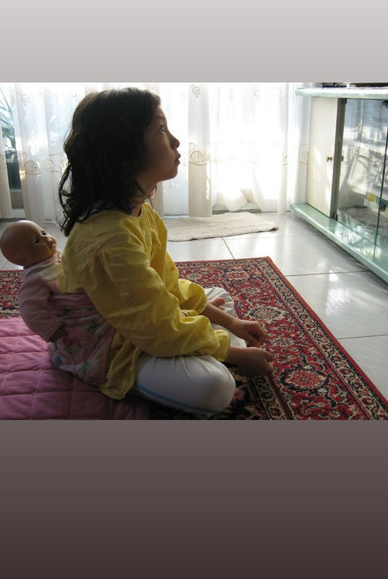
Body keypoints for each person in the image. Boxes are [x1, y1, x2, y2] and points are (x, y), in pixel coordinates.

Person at [56, 87, 274, 416]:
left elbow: (166, 286)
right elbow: (156, 329)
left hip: (142, 323)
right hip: (109, 347)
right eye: (160, 128)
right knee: (216, 387)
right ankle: (209, 351)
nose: (175, 141)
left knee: (218, 296)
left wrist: (231, 322)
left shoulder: (140, 213)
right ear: (121, 149)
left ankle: (205, 344)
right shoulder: (109, 239)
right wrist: (236, 354)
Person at [0, 220, 115, 383]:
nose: (46, 239)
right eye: (36, 241)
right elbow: (30, 310)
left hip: (86, 295)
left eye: (43, 233)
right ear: (22, 258)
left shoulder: (58, 256)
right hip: (76, 317)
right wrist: (50, 329)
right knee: (91, 339)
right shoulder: (36, 279)